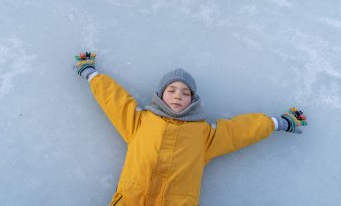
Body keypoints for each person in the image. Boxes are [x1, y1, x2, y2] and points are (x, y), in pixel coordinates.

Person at [74, 52, 308, 206]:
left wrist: (278, 122)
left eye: (185, 93)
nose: (178, 96)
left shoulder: (205, 135)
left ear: (193, 100)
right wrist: (92, 74)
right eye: (172, 90)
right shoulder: (140, 122)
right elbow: (115, 102)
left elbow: (240, 131)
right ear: (161, 95)